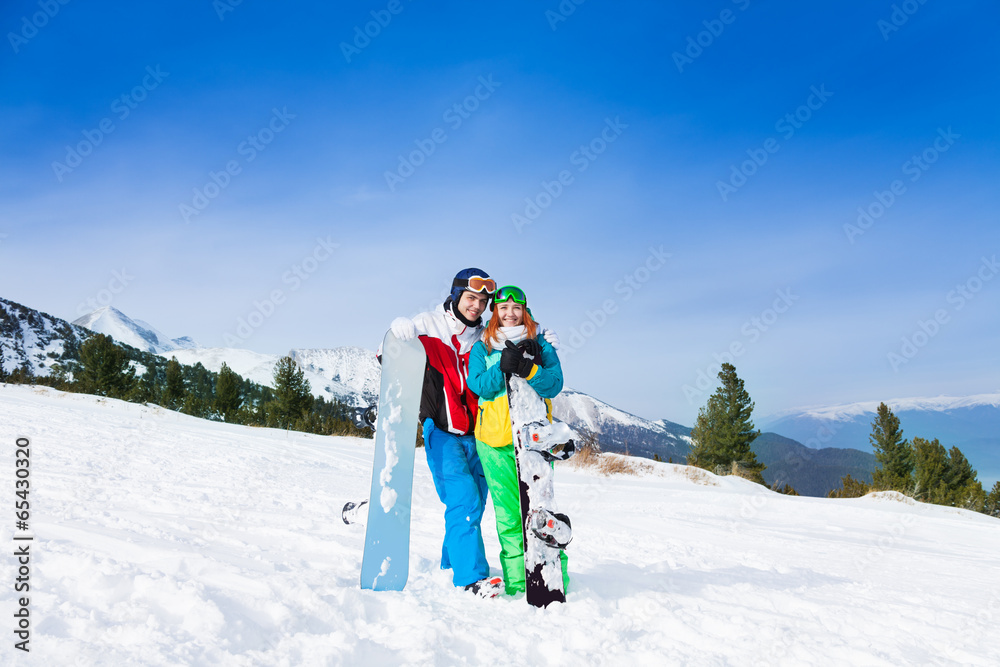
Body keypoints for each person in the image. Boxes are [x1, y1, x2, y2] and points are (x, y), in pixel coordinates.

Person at [382, 268, 500, 597]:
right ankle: (471, 578)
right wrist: (396, 330)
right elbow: (388, 356)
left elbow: (516, 328)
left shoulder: (487, 337)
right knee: (463, 500)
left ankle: (450, 562)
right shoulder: (429, 324)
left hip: (481, 435)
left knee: (474, 503)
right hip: (443, 431)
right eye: (471, 298)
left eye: (483, 301)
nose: (477, 306)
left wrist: (541, 339)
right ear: (456, 295)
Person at [466, 285, 569, 596]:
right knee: (509, 515)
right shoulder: (482, 347)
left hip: (536, 445)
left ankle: (553, 577)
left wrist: (528, 367)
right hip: (494, 442)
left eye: (516, 307)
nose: (509, 313)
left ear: (525, 310)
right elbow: (478, 386)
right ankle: (516, 582)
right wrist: (503, 365)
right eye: (502, 307)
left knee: (540, 512)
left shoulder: (541, 344)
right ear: (494, 312)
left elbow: (554, 385)